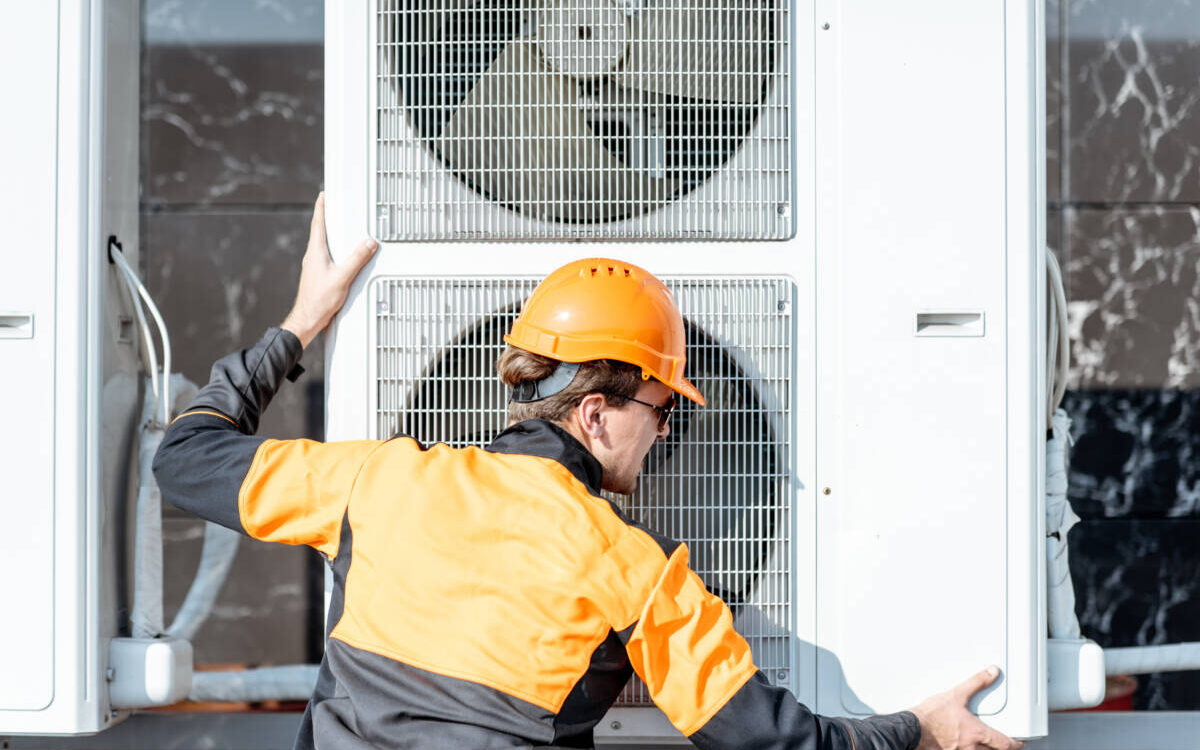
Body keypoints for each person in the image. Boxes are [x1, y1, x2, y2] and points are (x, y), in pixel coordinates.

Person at [153, 194, 1024, 750]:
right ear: (597, 412)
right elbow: (772, 741)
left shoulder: (381, 483)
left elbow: (185, 459)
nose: (668, 431)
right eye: (663, 408)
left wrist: (304, 321)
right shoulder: (633, 569)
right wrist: (923, 729)